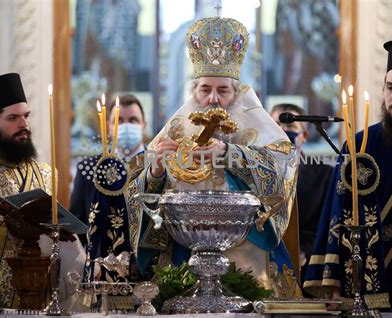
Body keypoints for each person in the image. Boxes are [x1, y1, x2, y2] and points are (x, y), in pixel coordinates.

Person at [126, 16, 300, 298]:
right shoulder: (178, 127)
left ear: (237, 92)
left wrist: (229, 153)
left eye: (223, 90)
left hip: (249, 251)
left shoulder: (256, 123)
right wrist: (155, 173)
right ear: (194, 91)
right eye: (206, 90)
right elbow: (140, 188)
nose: (214, 99)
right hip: (187, 249)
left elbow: (284, 165)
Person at [303, 40, 392, 315]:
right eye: (390, 87)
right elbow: (336, 212)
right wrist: (331, 281)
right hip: (365, 285)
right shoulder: (359, 146)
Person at [0, 73, 86, 314]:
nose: (23, 124)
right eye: (13, 118)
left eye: (26, 116)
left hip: (42, 303)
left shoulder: (47, 174)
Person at [69, 94, 147, 281]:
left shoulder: (157, 165)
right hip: (102, 273)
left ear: (144, 124)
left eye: (133, 120)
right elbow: (77, 223)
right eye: (119, 121)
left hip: (149, 272)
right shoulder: (90, 168)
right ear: (109, 127)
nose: (126, 126)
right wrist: (85, 266)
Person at [270, 103, 333, 285]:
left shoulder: (323, 176)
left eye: (290, 126)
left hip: (310, 269)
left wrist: (304, 251)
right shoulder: (255, 175)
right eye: (276, 125)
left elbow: (325, 225)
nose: (282, 130)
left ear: (304, 135)